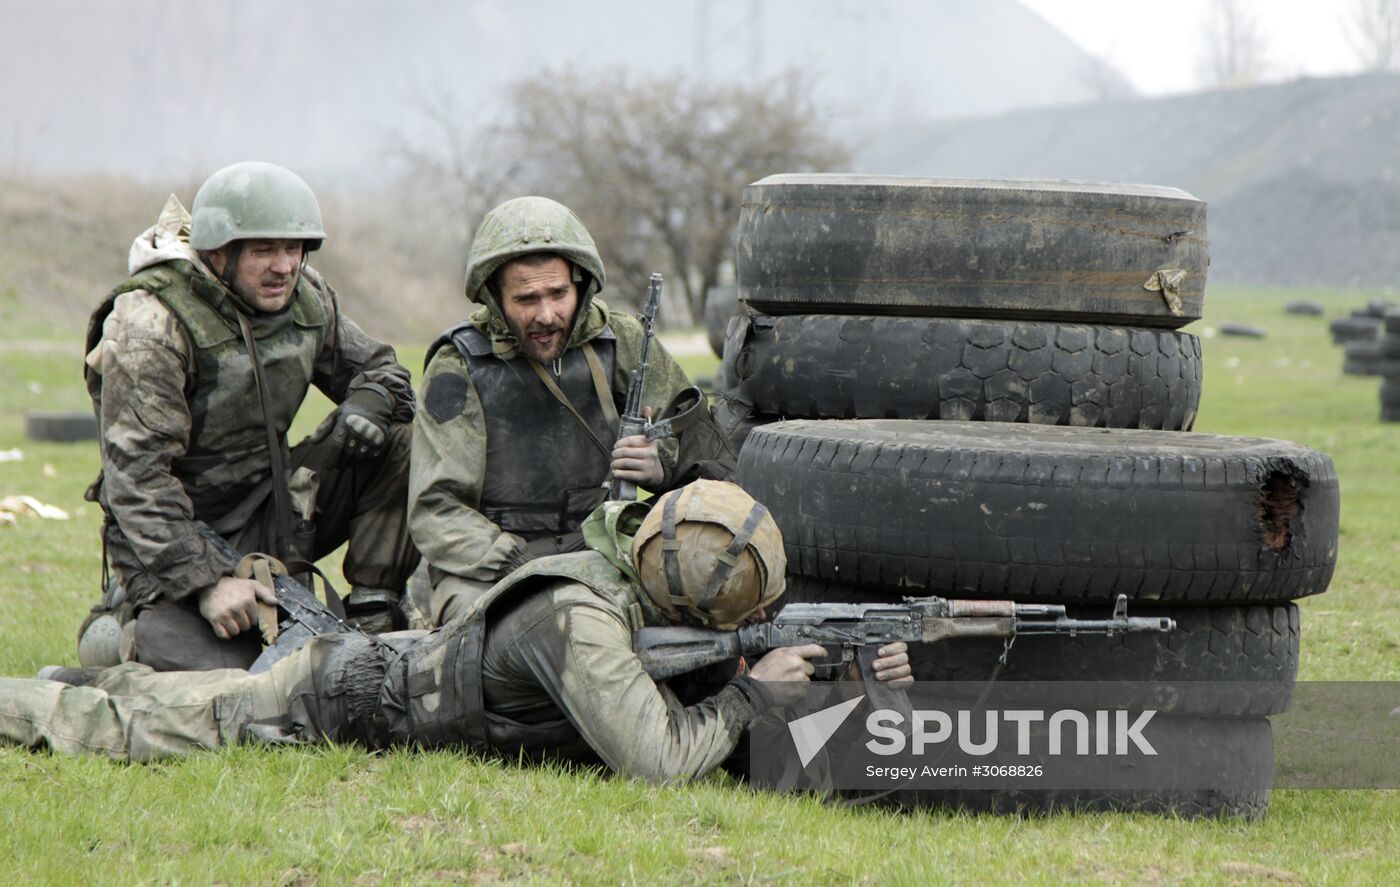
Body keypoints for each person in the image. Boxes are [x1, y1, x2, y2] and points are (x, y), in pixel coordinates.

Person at [7, 483, 913, 782]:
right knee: (126, 728)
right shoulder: (579, 619)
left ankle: (73, 681)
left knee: (147, 695)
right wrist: (760, 690)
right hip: (324, 704)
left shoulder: (620, 575)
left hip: (360, 671)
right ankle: (35, 703)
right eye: (745, 621)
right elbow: (661, 757)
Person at [79, 161, 420, 672]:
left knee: (402, 439)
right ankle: (121, 627)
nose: (283, 266)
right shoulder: (150, 324)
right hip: (179, 530)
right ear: (219, 252)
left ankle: (374, 613)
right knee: (230, 673)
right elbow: (139, 483)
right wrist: (208, 582)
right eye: (264, 250)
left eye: (293, 248)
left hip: (274, 509)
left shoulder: (306, 296)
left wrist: (365, 405)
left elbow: (383, 370)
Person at [409, 196, 737, 626]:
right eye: (526, 299)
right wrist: (522, 569)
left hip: (607, 551)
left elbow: (717, 468)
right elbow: (437, 509)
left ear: (580, 286)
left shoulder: (624, 343)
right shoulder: (459, 366)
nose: (546, 314)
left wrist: (661, 468)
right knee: (485, 642)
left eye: (558, 293)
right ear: (495, 298)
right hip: (489, 569)